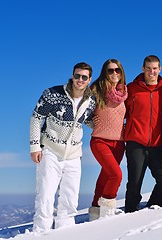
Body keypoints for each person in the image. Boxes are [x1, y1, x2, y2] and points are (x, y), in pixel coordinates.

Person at [29, 62, 96, 232]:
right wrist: (35, 146)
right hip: (51, 151)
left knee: (70, 199)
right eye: (77, 76)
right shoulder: (52, 94)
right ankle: (41, 232)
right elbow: (36, 118)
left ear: (89, 79)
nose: (80, 80)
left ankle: (65, 232)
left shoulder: (91, 101)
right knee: (45, 195)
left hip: (74, 154)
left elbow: (89, 121)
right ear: (72, 76)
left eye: (84, 77)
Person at [124, 55, 162, 213]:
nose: (151, 72)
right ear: (143, 69)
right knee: (134, 183)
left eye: (154, 68)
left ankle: (151, 209)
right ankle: (130, 212)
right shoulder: (131, 88)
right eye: (148, 68)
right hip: (135, 142)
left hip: (157, 143)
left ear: (160, 69)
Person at [88, 59, 128, 221]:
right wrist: (91, 123)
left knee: (106, 176)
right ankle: (107, 213)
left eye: (117, 70)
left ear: (121, 72)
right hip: (99, 141)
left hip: (119, 143)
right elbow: (82, 111)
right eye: (110, 70)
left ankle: (95, 210)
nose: (114, 74)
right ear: (105, 72)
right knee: (116, 175)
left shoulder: (124, 92)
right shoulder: (96, 90)